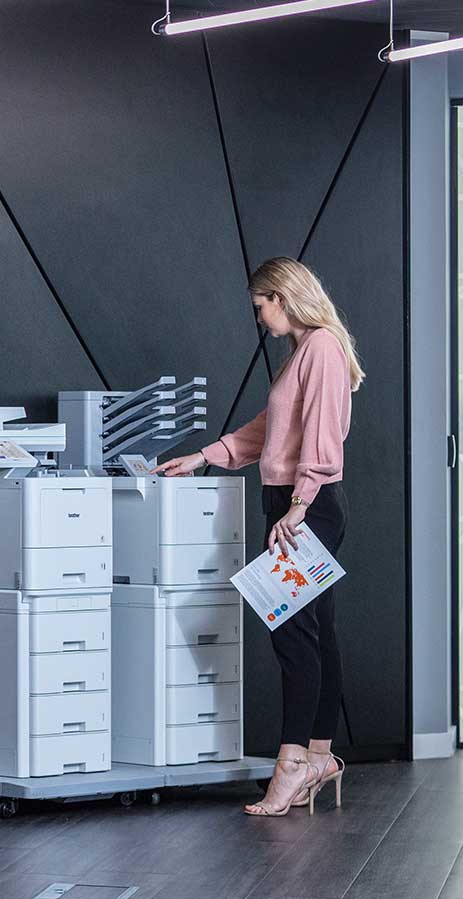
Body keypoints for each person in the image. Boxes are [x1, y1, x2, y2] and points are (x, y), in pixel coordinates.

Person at [154, 257, 363, 818]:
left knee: (292, 634)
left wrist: (297, 506)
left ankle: (292, 764)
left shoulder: (319, 348)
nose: (259, 317)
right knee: (317, 631)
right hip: (298, 502)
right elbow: (269, 431)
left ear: (283, 296)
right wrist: (205, 456)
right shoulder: (303, 353)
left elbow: (321, 443)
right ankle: (319, 755)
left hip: (306, 506)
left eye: (260, 305)